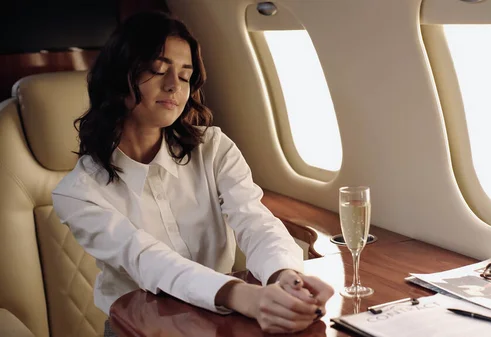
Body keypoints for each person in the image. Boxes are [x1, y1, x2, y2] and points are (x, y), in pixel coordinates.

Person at [51, 11, 334, 335]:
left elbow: (255, 220)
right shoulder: (78, 193)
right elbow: (148, 260)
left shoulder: (214, 149)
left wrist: (285, 277)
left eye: (185, 76)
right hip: (138, 329)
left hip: (220, 321)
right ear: (117, 79)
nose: (173, 86)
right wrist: (245, 296)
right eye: (157, 70)